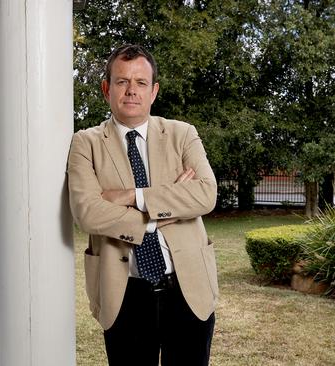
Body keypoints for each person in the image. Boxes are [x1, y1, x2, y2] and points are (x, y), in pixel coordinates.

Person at [67, 44, 218, 366]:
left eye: (141, 82)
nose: (131, 91)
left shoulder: (183, 134)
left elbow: (205, 194)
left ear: (154, 91)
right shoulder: (86, 143)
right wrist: (169, 207)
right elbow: (88, 212)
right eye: (122, 81)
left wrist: (132, 197)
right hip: (124, 293)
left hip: (188, 288)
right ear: (107, 88)